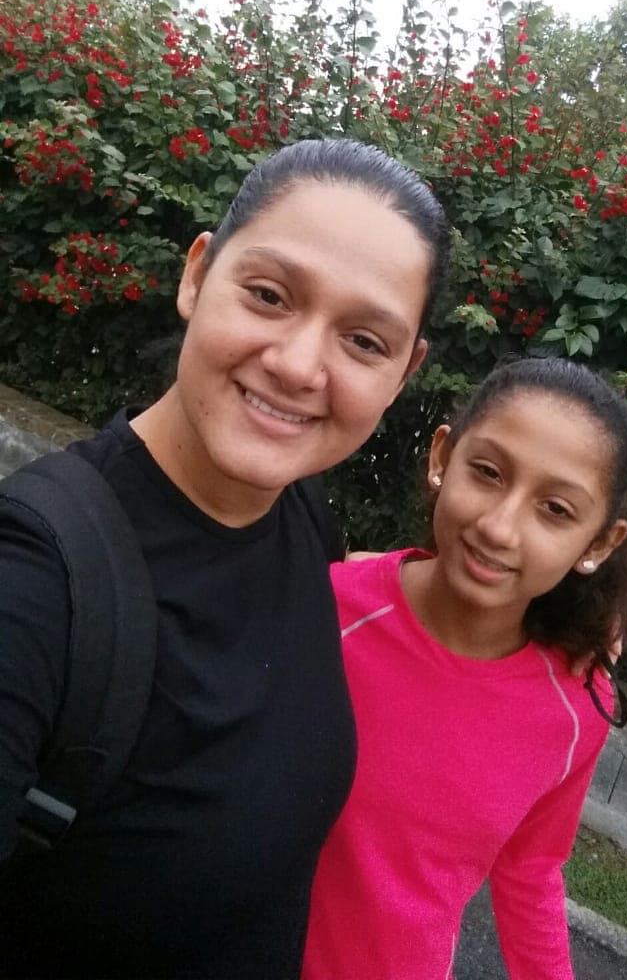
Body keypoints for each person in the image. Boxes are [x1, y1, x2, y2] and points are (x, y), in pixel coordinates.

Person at [0, 138, 450, 980]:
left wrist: (562, 621)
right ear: (198, 274)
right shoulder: (36, 584)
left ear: (404, 372)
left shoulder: (298, 514)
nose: (298, 365)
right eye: (269, 295)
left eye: (364, 341)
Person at [303, 357, 627, 980]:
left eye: (555, 509)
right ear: (443, 457)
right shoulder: (321, 610)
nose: (499, 527)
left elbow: (531, 868)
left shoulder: (576, 707)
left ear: (599, 543)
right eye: (487, 472)